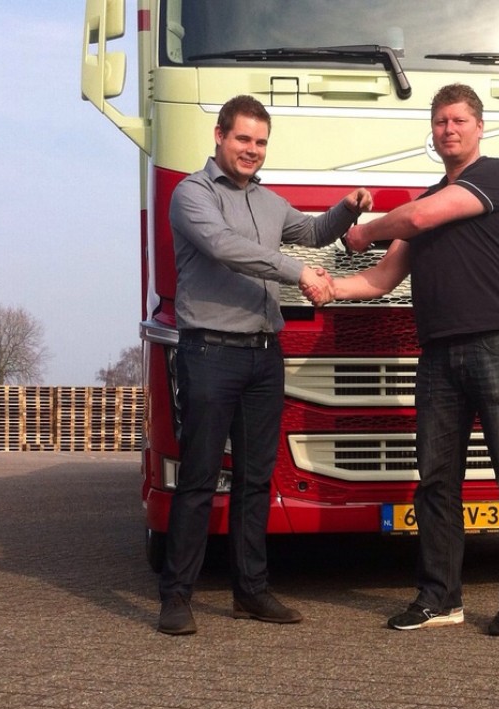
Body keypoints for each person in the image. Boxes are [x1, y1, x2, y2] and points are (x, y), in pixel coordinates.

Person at [328, 83, 499, 637]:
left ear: (479, 127)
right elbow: (381, 279)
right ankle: (440, 598)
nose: (448, 129)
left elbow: (419, 220)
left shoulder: (494, 176)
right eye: (440, 121)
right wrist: (328, 287)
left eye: (458, 120)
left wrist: (363, 232)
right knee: (435, 482)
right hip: (439, 354)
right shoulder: (422, 202)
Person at [158, 95, 371, 635]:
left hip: (263, 356)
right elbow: (224, 247)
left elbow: (315, 232)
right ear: (219, 136)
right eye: (243, 139)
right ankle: (176, 597)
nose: (251, 150)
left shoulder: (270, 203)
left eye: (260, 142)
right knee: (200, 477)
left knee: (256, 480)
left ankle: (250, 592)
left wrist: (348, 207)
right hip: (209, 353)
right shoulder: (192, 194)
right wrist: (298, 273)